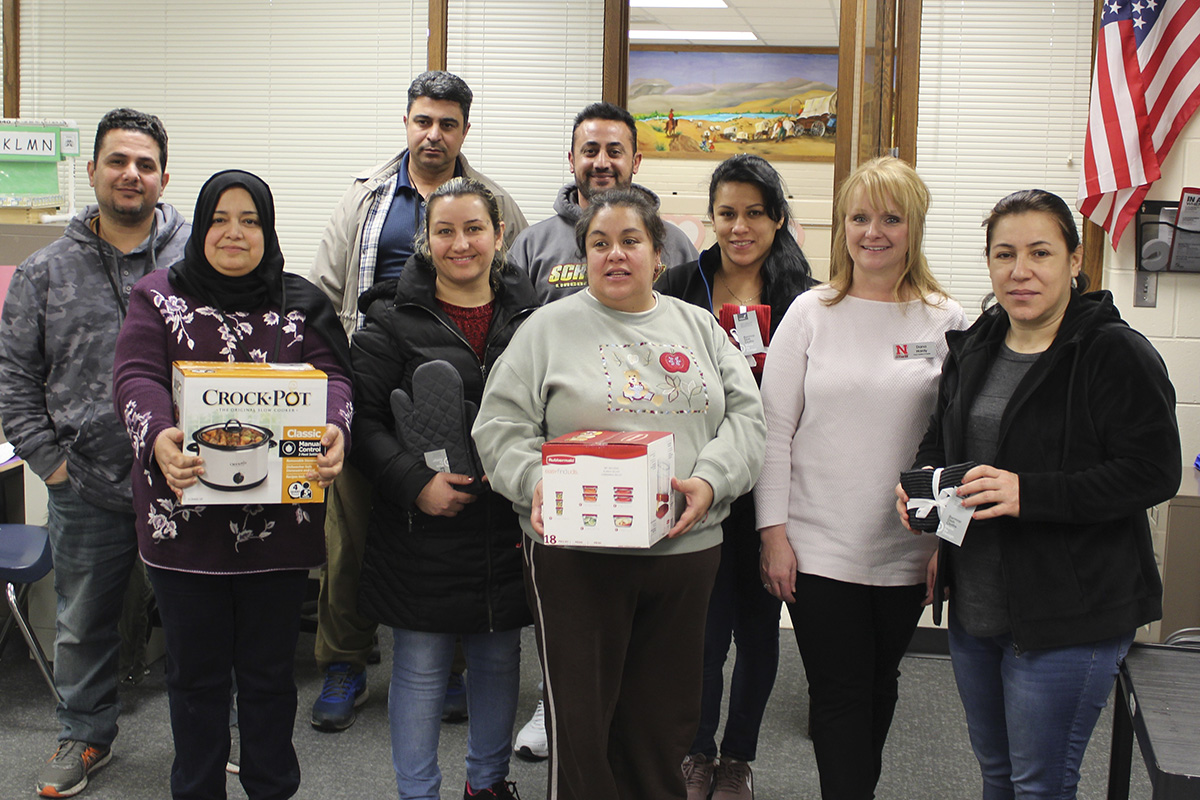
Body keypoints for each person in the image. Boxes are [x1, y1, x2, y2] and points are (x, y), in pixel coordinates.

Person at [473, 188, 766, 800]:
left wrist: (710, 481)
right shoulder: (546, 329)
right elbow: (498, 428)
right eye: (599, 243)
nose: (615, 255)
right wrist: (540, 484)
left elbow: (747, 418)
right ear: (583, 256)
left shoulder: (699, 327)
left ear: (658, 253)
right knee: (582, 727)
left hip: (683, 557)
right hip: (577, 561)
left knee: (663, 724)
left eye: (630, 241)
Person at [896, 189, 1180, 800]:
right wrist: (921, 488)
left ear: (1075, 262)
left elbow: (1154, 473)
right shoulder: (977, 344)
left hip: (1068, 614)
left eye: (1040, 252)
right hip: (978, 605)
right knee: (997, 775)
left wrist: (1031, 494)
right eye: (1004, 254)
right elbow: (939, 442)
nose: (1019, 270)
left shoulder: (1113, 353)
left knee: (1040, 784)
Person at [112, 170, 353, 799]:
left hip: (279, 532)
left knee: (272, 677)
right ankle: (197, 789)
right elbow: (135, 376)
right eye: (219, 218)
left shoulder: (301, 302)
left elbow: (335, 379)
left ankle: (273, 787)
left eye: (250, 219)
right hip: (183, 525)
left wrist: (333, 431)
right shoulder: (157, 296)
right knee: (195, 681)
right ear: (200, 226)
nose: (234, 232)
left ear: (267, 230)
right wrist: (159, 436)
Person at [307, 70, 528, 732]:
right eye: (423, 121)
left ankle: (456, 665)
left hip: (463, 401)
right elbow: (321, 294)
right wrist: (335, 394)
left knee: (457, 531)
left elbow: (512, 292)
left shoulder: (498, 204)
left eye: (448, 123)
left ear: (464, 130)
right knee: (351, 541)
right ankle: (346, 662)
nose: (434, 134)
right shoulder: (365, 199)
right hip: (370, 389)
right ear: (407, 123)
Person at [756, 156, 965, 800]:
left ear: (915, 227)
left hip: (907, 549)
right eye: (859, 217)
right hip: (819, 547)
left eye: (891, 218)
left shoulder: (948, 321)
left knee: (881, 683)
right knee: (841, 691)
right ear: (842, 226)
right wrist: (773, 534)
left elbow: (961, 443)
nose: (873, 231)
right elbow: (774, 429)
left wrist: (945, 545)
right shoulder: (811, 312)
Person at [0, 108, 189, 798]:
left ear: (164, 177)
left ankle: (210, 738)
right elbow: (14, 377)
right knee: (82, 623)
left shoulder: (197, 260)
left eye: (144, 163)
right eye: (117, 160)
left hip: (188, 480)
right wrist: (51, 463)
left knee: (202, 617)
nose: (130, 174)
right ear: (93, 172)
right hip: (86, 481)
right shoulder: (45, 270)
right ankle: (83, 735)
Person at [351, 177, 536, 800]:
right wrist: (415, 484)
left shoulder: (533, 314)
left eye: (474, 229)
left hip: (507, 523)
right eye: (445, 231)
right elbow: (361, 422)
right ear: (426, 242)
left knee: (498, 663)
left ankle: (486, 785)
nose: (462, 244)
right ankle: (418, 792)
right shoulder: (390, 316)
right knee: (422, 670)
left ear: (499, 233)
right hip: (421, 530)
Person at [656, 154, 813, 800]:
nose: (740, 226)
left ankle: (738, 758)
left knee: (757, 629)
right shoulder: (676, 284)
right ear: (711, 218)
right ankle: (697, 750)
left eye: (754, 212)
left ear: (778, 219)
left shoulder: (804, 298)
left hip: (772, 491)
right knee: (701, 634)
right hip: (697, 487)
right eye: (726, 213)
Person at [509, 101, 698, 305]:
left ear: (635, 162)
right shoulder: (532, 246)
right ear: (572, 161)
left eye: (614, 152)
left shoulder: (675, 244)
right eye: (590, 151)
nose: (601, 163)